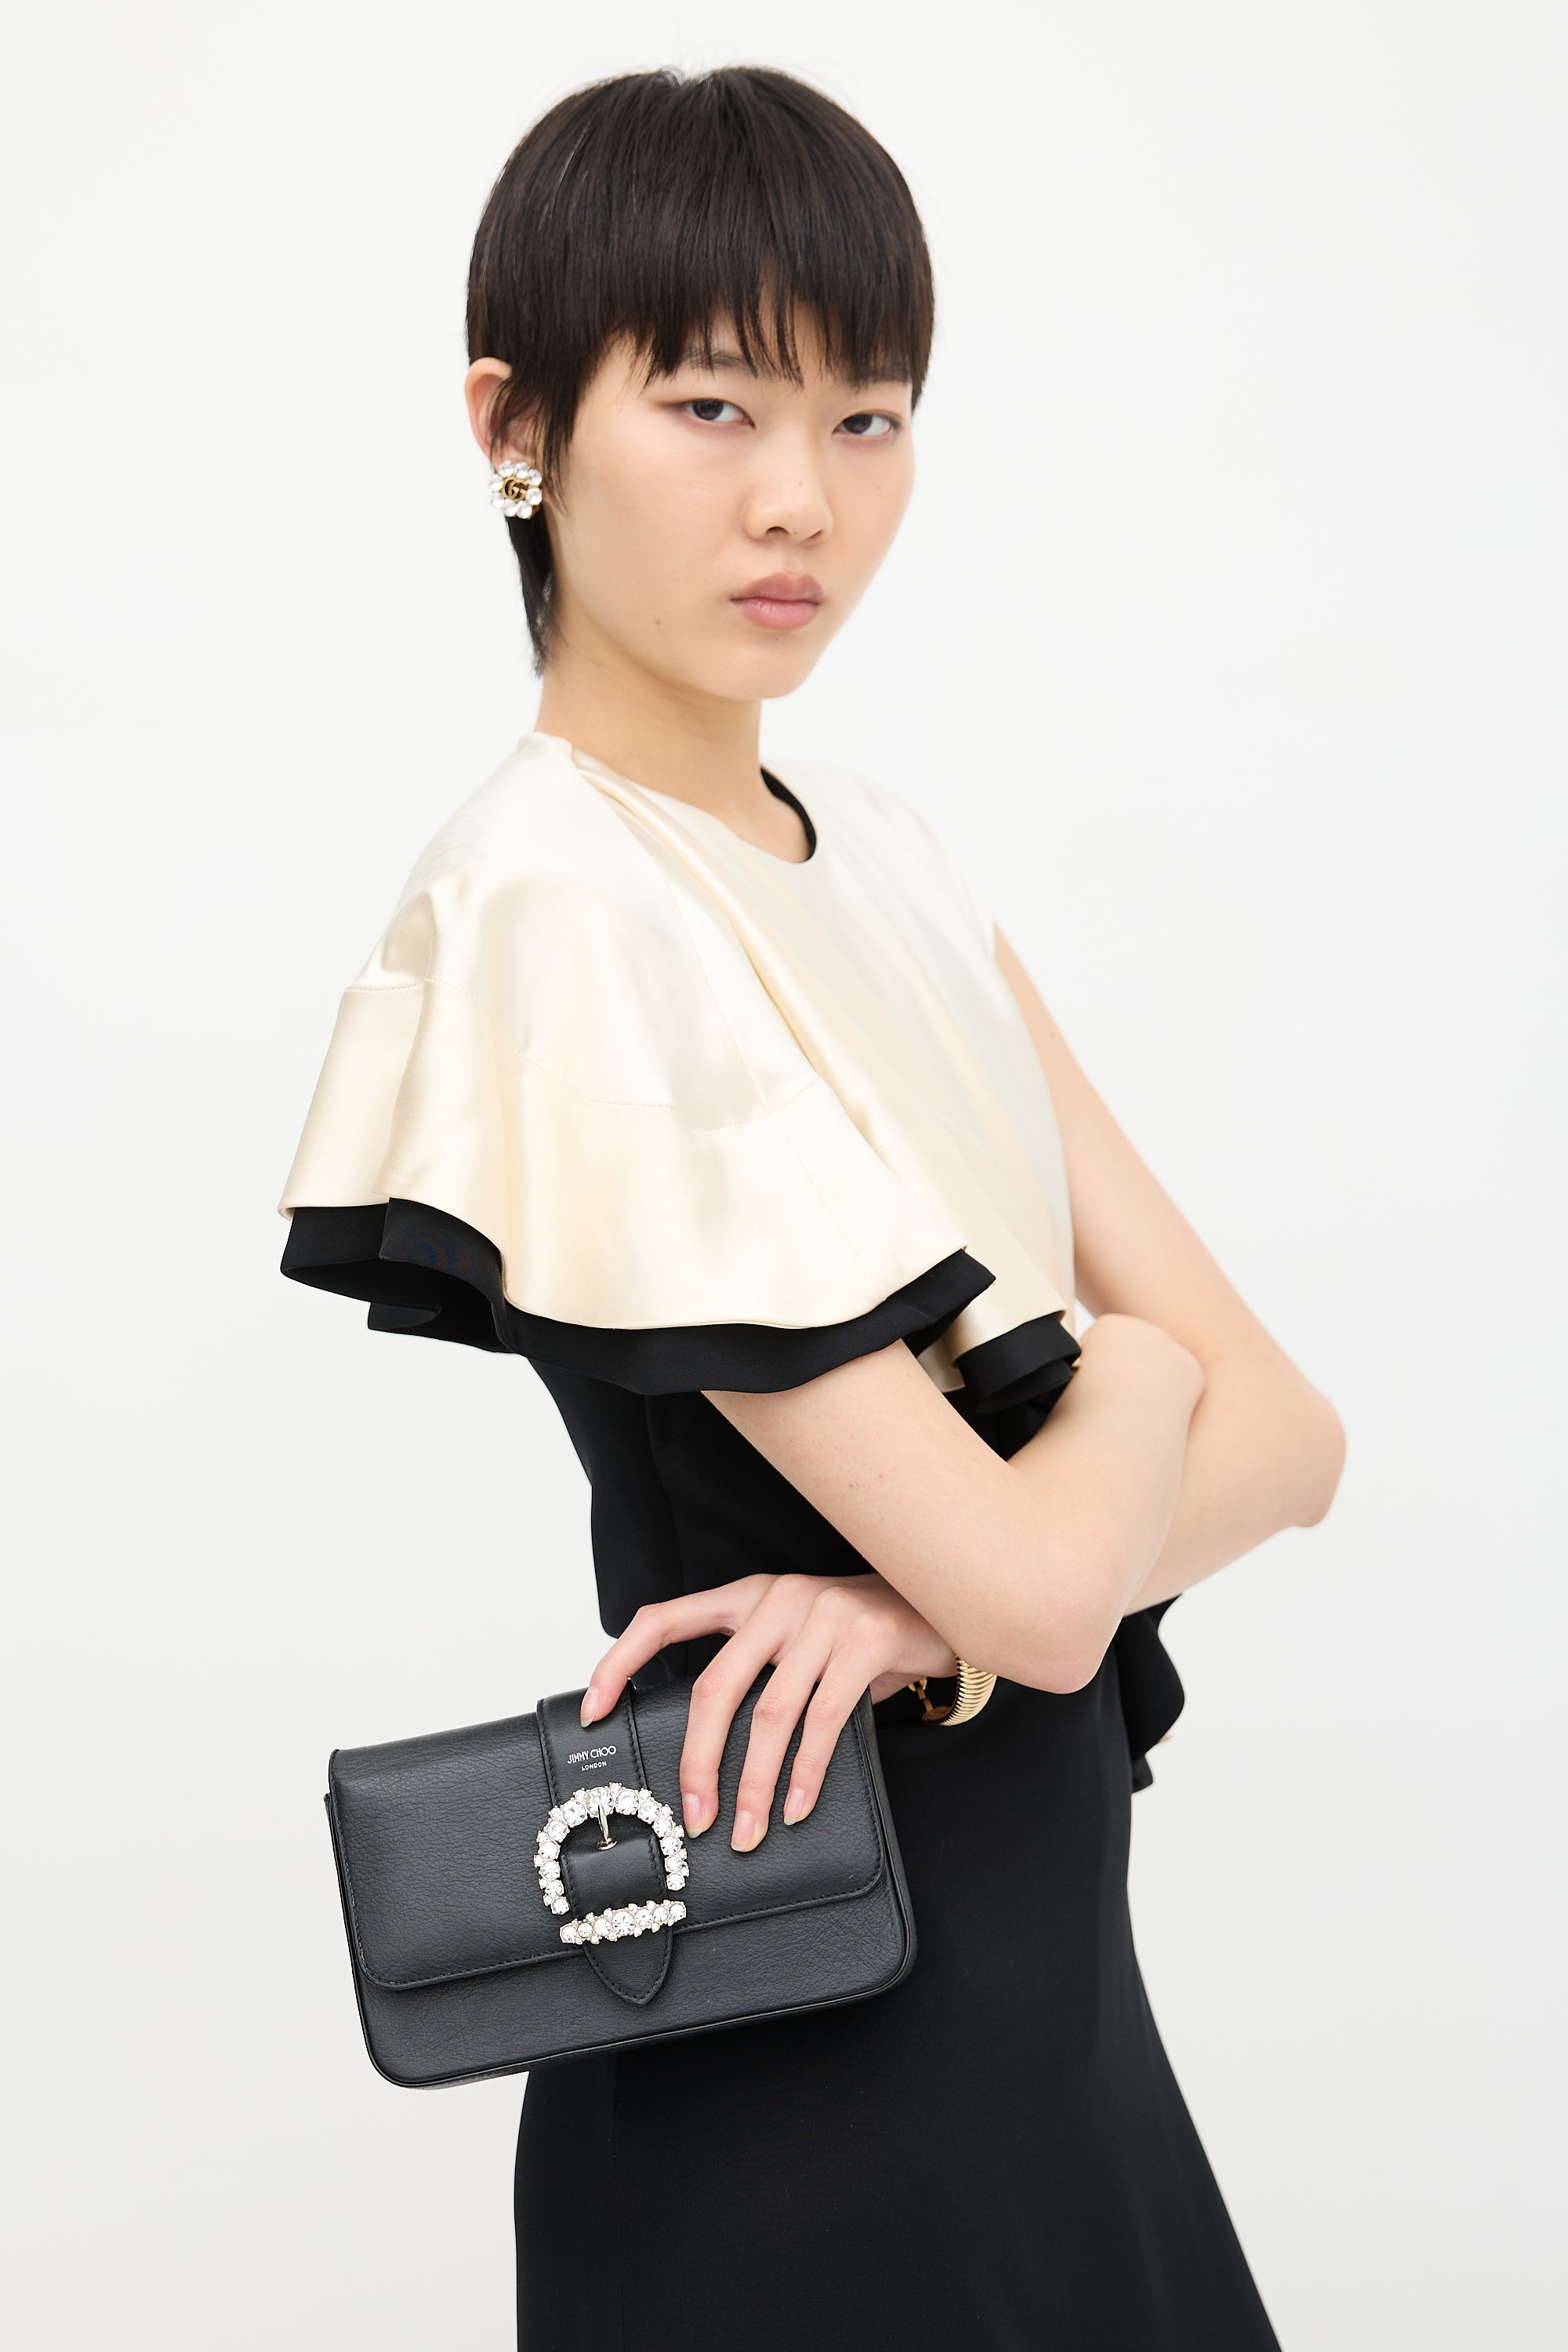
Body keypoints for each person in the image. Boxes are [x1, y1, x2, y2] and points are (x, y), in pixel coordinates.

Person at [278, 65, 1345, 2350]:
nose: (803, 500)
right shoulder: (554, 905)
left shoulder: (885, 857)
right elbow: (1066, 1569)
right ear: (513, 427)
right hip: (800, 2050)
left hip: (1054, 2029)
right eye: (712, 405)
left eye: (869, 417)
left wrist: (905, 1612)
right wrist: (1135, 1384)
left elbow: (1300, 1444)